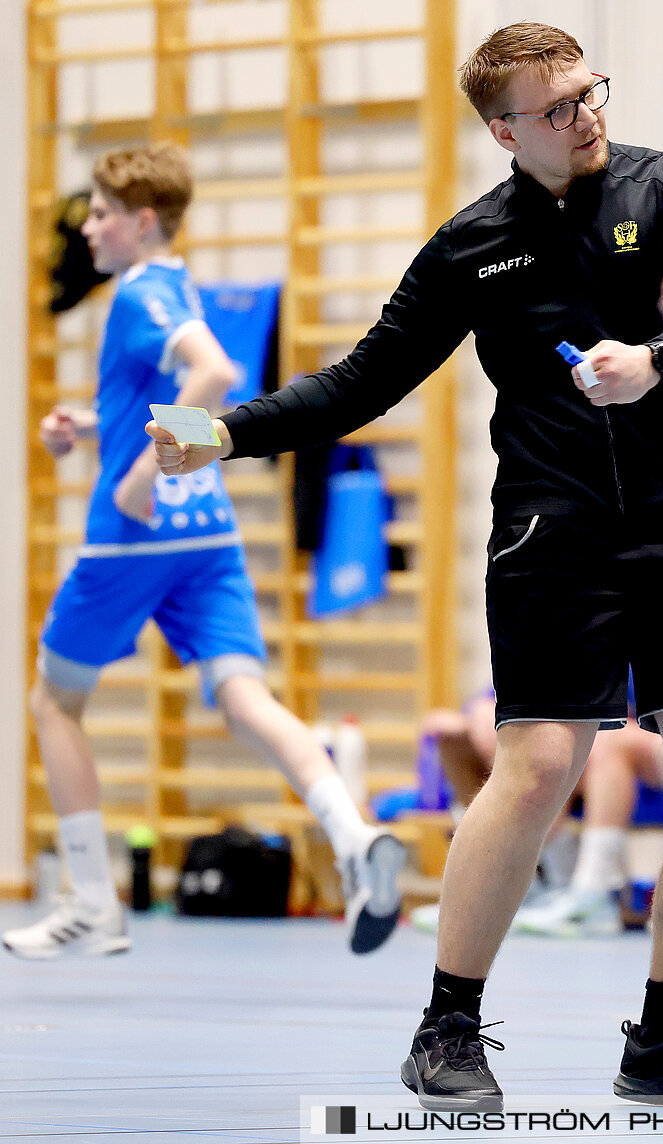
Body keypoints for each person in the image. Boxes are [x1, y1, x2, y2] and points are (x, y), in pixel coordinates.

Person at [148, 24, 663, 1112]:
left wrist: (660, 361)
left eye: (592, 92)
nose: (587, 116)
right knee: (537, 765)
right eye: (559, 107)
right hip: (557, 530)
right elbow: (360, 381)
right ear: (504, 130)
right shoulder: (473, 245)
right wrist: (226, 429)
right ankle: (446, 1023)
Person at [5, 144, 404, 962]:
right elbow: (162, 394)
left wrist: (139, 476)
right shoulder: (179, 282)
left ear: (141, 220)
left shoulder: (140, 289)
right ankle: (355, 836)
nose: (91, 231)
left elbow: (213, 372)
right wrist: (90, 427)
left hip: (133, 542)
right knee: (243, 698)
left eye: (104, 215)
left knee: (53, 704)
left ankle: (91, 905)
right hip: (208, 535)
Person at [411, 688, 663, 938]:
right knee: (477, 729)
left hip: (644, 751)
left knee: (585, 742)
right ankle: (516, 881)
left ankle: (594, 890)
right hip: (577, 747)